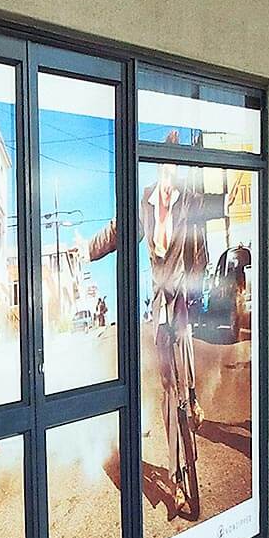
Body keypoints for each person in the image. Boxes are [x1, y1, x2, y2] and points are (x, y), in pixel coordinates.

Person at [86, 138, 224, 518]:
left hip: (183, 299)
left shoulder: (190, 202)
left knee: (184, 362)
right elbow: (118, 230)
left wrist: (197, 288)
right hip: (161, 303)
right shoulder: (145, 203)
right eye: (164, 169)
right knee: (167, 389)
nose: (168, 177)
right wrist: (87, 250)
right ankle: (178, 477)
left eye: (174, 170)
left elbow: (200, 251)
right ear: (159, 169)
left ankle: (193, 397)